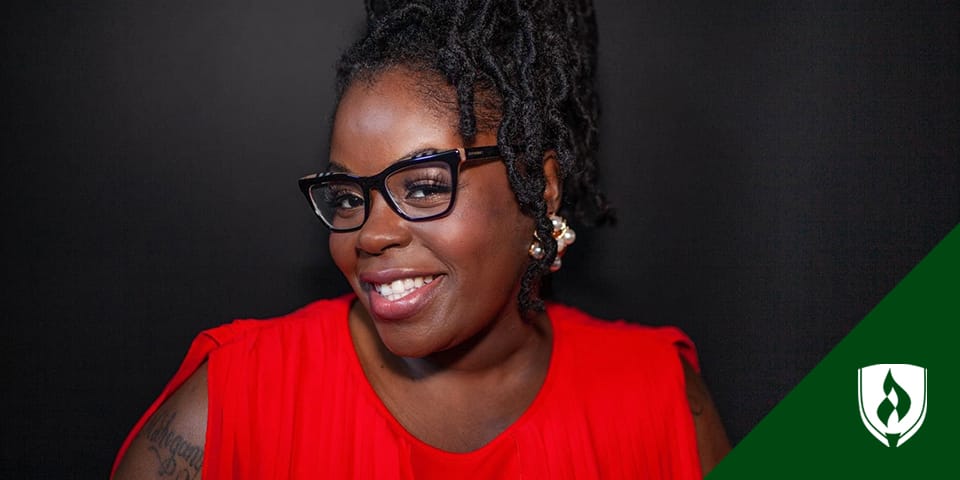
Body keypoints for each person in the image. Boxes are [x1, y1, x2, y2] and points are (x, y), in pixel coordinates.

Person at [112, 0, 731, 478]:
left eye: (425, 187)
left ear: (540, 189)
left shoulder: (663, 401)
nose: (371, 234)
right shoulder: (234, 404)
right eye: (349, 197)